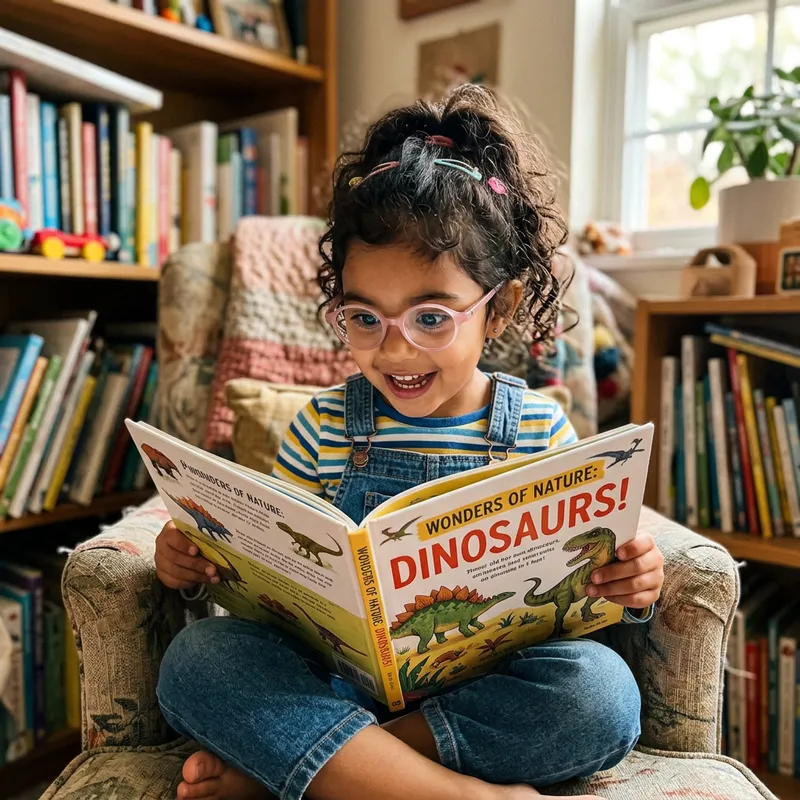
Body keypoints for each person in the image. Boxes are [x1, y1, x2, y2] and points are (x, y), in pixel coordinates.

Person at [153, 85, 664, 800]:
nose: (394, 352)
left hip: (475, 696)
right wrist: (194, 561)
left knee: (601, 694)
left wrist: (631, 584)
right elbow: (271, 573)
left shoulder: (543, 429)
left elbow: (577, 596)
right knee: (197, 659)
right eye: (364, 318)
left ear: (501, 309)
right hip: (329, 682)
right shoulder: (321, 426)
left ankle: (321, 772)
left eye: (430, 317)